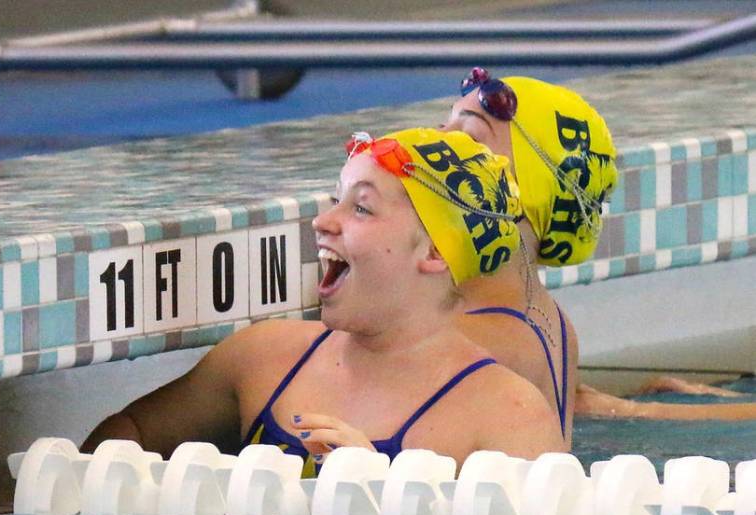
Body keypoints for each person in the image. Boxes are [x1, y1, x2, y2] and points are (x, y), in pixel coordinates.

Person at [80, 128, 564, 472]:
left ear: (436, 250)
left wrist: (381, 492)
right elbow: (131, 433)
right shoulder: (262, 359)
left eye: (361, 207)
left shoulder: (506, 415)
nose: (324, 222)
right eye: (336, 199)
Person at [439, 69, 756, 431]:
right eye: (443, 125)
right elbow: (577, 405)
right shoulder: (546, 324)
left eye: (468, 137)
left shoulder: (468, 331)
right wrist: (647, 410)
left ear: (527, 194)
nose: (436, 141)